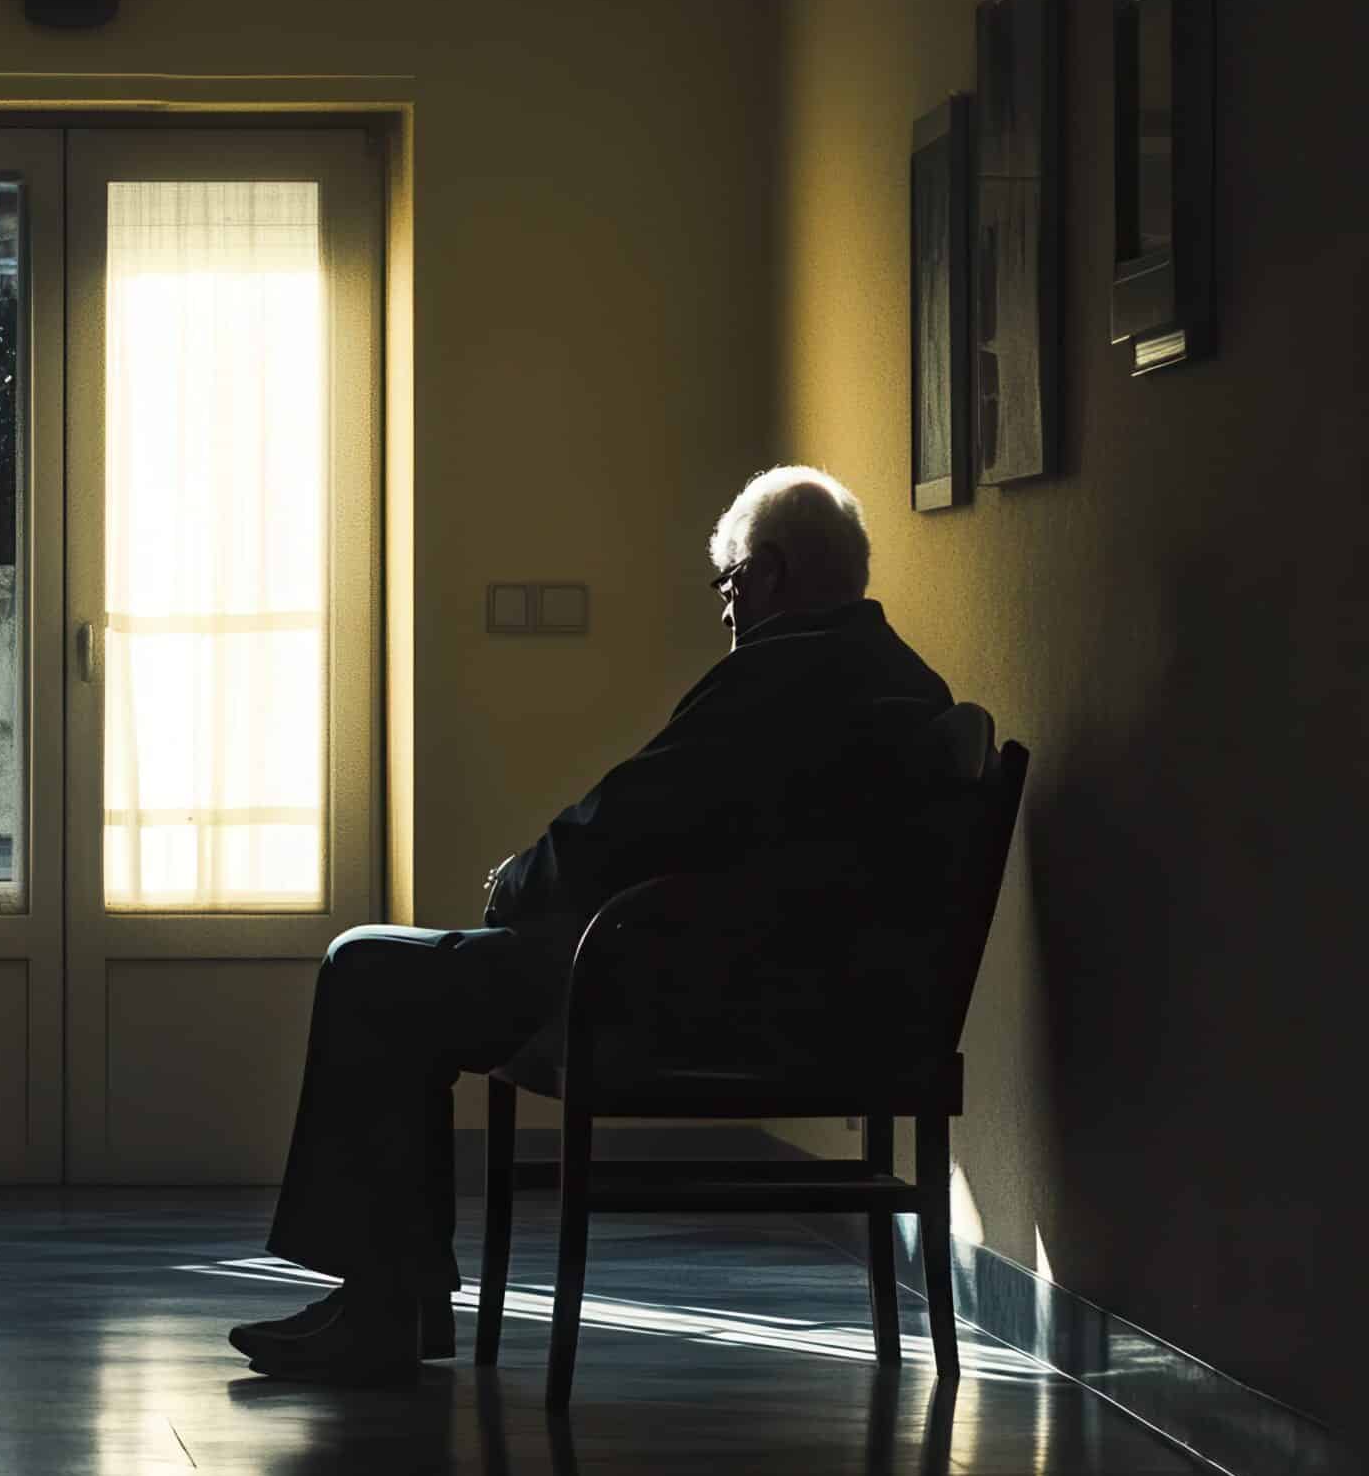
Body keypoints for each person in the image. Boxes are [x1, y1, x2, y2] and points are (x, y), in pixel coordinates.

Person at [232, 465, 954, 1384]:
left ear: (768, 575)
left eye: (728, 587)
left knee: (370, 968)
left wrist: (516, 885)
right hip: (794, 991)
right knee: (394, 970)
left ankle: (386, 1302)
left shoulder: (781, 675)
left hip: (696, 995)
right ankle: (389, 1295)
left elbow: (628, 818)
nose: (725, 614)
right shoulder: (901, 681)